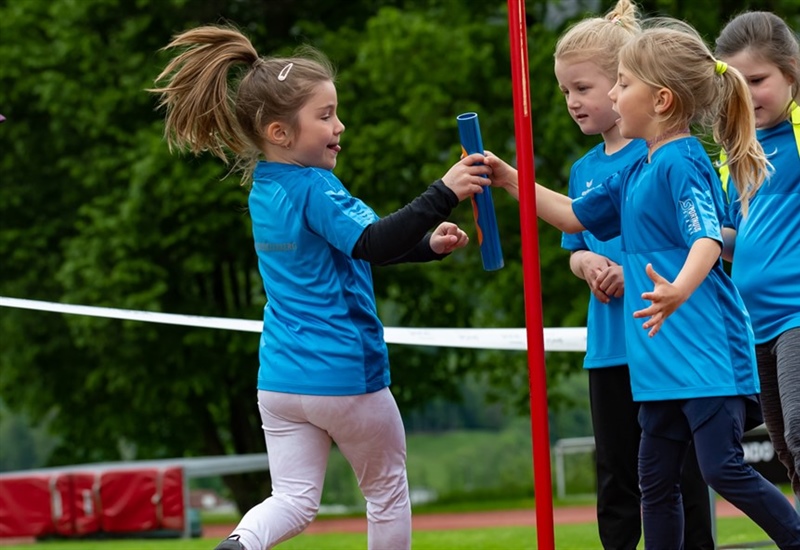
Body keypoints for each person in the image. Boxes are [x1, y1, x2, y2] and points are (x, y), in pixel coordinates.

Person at [148, 25, 492, 550]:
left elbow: (357, 247)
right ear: (280, 132)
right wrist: (442, 192)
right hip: (344, 374)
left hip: (281, 380)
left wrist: (424, 246)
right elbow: (373, 241)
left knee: (292, 498)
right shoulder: (315, 186)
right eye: (326, 115)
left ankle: (239, 545)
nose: (341, 126)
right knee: (387, 494)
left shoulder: (266, 187)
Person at [488, 18, 800, 549]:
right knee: (653, 484)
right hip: (659, 365)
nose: (611, 93)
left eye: (622, 84)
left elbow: (706, 239)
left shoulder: (683, 161)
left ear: (659, 100)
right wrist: (508, 176)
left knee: (721, 469)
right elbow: (570, 218)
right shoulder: (634, 171)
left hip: (706, 359)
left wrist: (678, 290)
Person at [500, 1, 713, 547]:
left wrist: (644, 272)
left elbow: (704, 239)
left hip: (666, 338)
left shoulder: (663, 157)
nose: (573, 102)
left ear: (630, 86)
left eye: (586, 88)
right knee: (618, 473)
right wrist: (586, 261)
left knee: (683, 471)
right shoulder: (586, 171)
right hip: (611, 345)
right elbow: (574, 232)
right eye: (564, 91)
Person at [715, 10, 800, 501]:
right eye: (735, 85)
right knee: (787, 447)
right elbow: (734, 242)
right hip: (757, 325)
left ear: (791, 71)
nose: (747, 96)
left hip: (796, 316)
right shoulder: (735, 155)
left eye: (758, 80)